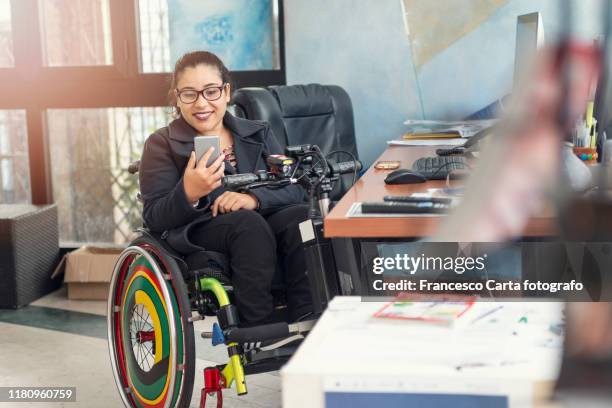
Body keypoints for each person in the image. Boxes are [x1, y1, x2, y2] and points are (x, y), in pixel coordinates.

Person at [139, 51, 313, 325]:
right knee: (247, 225)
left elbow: (295, 186)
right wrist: (189, 192)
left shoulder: (258, 131)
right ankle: (258, 326)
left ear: (226, 92)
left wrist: (254, 198)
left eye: (211, 91)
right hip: (201, 228)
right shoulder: (162, 144)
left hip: (259, 217)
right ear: (177, 97)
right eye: (189, 94)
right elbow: (154, 216)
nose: (201, 103)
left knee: (301, 216)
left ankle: (306, 319)